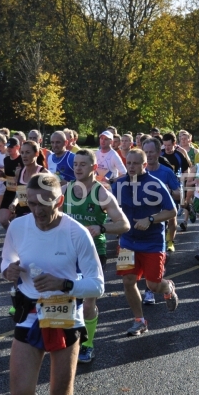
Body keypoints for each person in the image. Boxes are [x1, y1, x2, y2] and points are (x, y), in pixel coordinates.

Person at [1, 173, 104, 395]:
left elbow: (98, 285)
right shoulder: (19, 227)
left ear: (59, 200)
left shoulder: (76, 233)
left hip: (64, 311)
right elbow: (6, 259)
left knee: (60, 394)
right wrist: (7, 270)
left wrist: (64, 284)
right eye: (31, 204)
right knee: (20, 393)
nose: (36, 211)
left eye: (43, 204)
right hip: (30, 310)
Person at [64, 150, 129, 364]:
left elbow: (124, 224)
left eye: (83, 164)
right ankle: (66, 338)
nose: (78, 168)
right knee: (67, 299)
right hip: (67, 253)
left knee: (89, 302)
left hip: (93, 254)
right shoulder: (65, 191)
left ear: (93, 168)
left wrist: (100, 227)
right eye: (76, 164)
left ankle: (88, 344)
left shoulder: (102, 194)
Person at [111, 148, 178, 336]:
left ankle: (168, 287)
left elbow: (171, 211)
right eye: (128, 163)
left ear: (144, 165)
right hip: (127, 242)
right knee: (128, 280)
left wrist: (150, 219)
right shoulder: (119, 184)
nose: (131, 167)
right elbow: (109, 207)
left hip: (152, 242)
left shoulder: (155, 184)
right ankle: (139, 321)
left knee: (153, 285)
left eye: (135, 163)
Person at [140, 138, 182, 304]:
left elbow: (177, 192)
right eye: (146, 152)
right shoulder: (137, 171)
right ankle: (151, 288)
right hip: (141, 219)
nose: (148, 155)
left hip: (160, 219)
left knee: (155, 258)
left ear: (158, 153)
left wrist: (168, 194)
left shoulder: (166, 172)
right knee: (140, 258)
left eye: (151, 152)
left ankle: (151, 289)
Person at [0, 137, 24, 229]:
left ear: (17, 147)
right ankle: (12, 236)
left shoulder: (23, 159)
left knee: (20, 221)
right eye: (8, 147)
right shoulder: (6, 160)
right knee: (3, 221)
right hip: (9, 191)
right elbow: (8, 176)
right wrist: (2, 174)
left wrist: (19, 174)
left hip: (21, 192)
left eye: (11, 147)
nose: (8, 149)